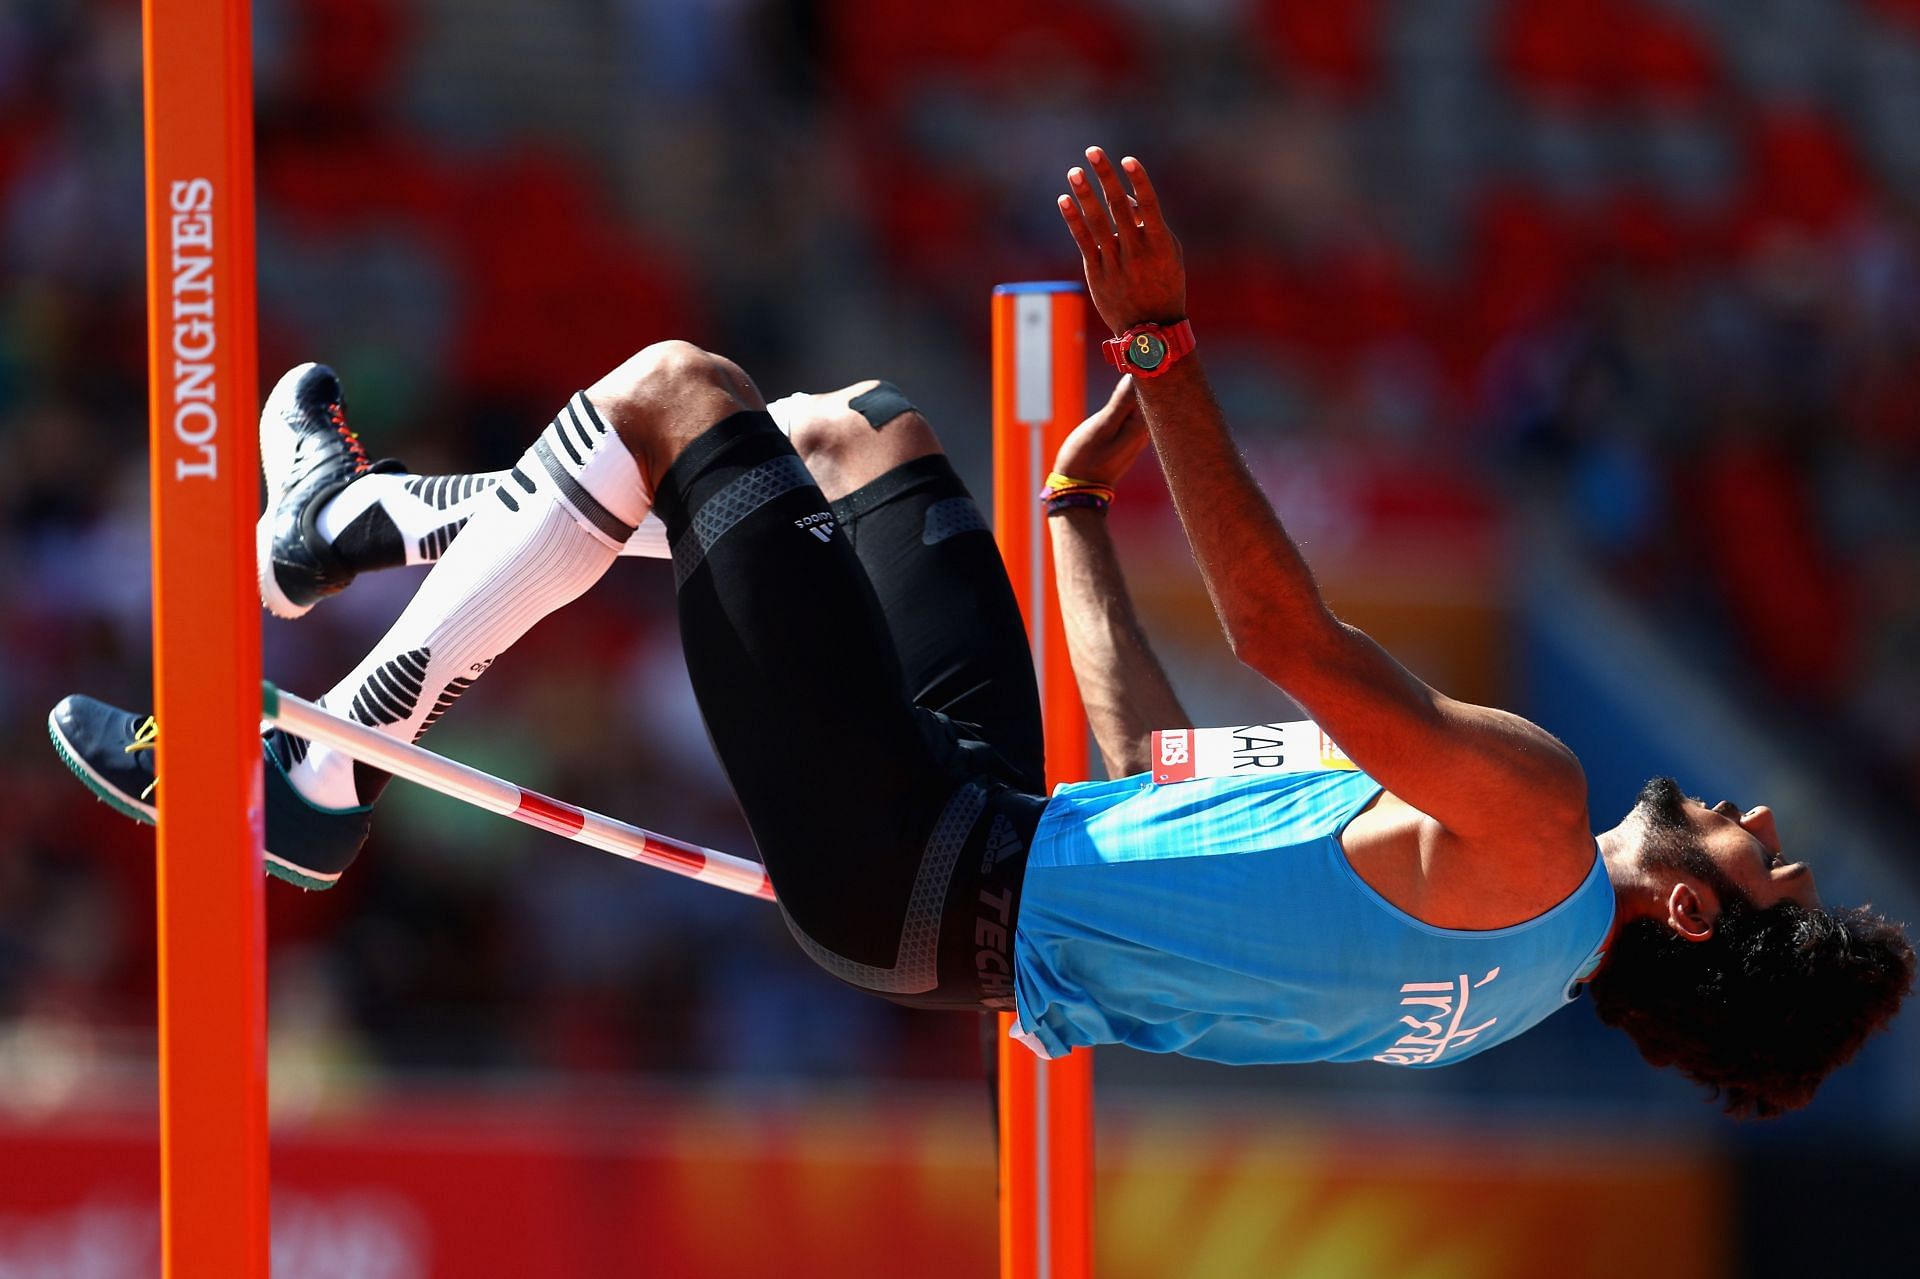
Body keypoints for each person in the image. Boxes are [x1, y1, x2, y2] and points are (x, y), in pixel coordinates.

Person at [50, 149, 1911, 1118]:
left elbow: (1281, 628)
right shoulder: (1492, 994)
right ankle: (364, 525)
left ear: (1694, 915)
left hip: (930, 861)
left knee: (682, 391)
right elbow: (1165, 770)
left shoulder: (1534, 816)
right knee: (864, 432)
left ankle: (322, 750)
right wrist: (1079, 522)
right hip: (985, 853)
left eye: (1773, 872)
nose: (1768, 831)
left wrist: (1168, 351)